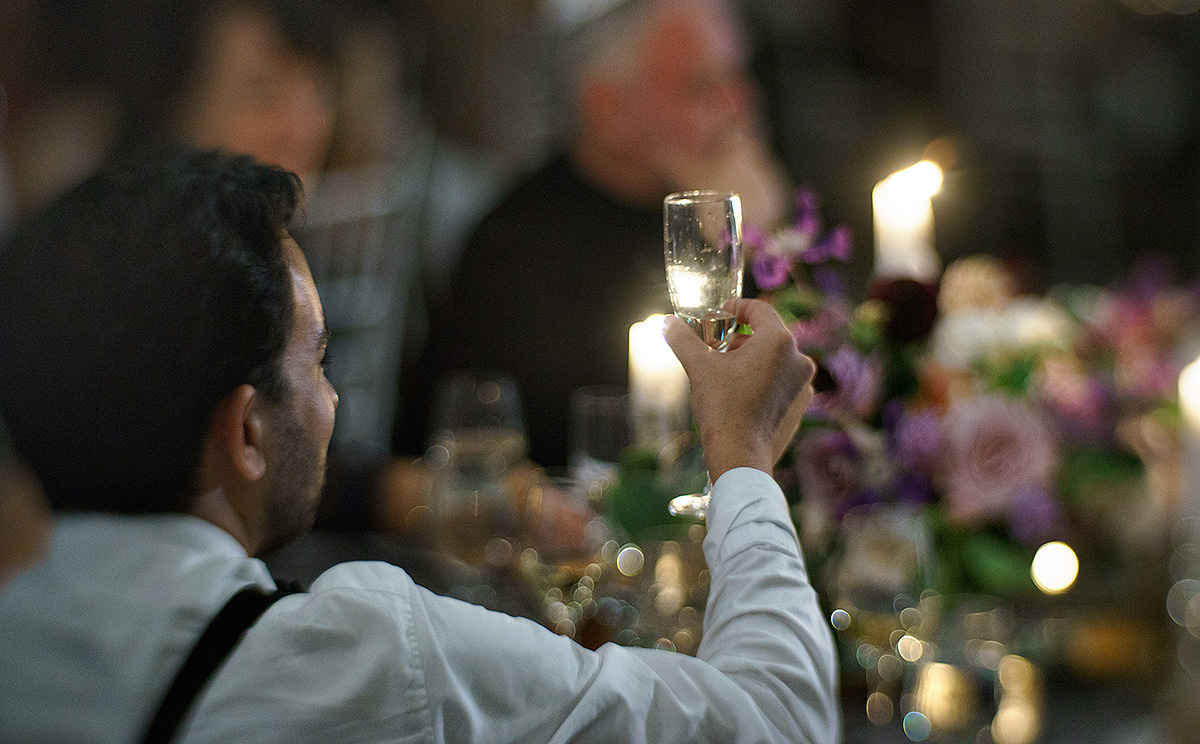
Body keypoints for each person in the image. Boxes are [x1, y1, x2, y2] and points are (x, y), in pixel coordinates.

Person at [0, 146, 838, 743]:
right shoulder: (358, 660)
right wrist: (745, 457)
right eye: (318, 360)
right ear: (248, 432)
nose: (330, 400)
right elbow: (778, 723)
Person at [401, 0, 794, 468]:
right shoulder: (518, 251)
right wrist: (736, 249)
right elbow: (646, 448)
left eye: (738, 74)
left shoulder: (744, 190)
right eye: (702, 87)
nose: (739, 107)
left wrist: (767, 241)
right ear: (607, 107)